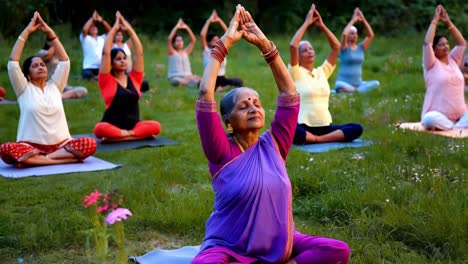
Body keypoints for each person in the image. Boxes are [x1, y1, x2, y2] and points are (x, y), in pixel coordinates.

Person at [192, 5, 350, 264]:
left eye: (256, 102)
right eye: (244, 106)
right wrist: (224, 43)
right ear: (228, 122)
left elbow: (289, 93)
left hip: (281, 239)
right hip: (228, 244)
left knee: (337, 250)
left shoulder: (275, 144)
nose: (253, 107)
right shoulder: (221, 151)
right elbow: (205, 95)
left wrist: (266, 45)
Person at [0, 12, 96, 168]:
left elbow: (64, 61)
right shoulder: (24, 89)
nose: (40, 67)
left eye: (42, 65)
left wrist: (51, 34)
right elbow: (13, 63)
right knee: (6, 149)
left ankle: (38, 160)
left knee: (89, 143)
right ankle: (61, 160)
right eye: (35, 66)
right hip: (30, 146)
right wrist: (28, 31)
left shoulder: (55, 87)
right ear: (27, 74)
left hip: (60, 146)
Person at [289, 4, 363, 145]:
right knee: (292, 131)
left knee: (356, 128)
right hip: (303, 127)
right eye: (305, 50)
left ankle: (318, 140)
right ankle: (319, 139)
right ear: (298, 57)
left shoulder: (322, 72)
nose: (310, 51)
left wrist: (322, 26)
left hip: (325, 127)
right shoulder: (295, 72)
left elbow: (336, 47)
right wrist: (306, 23)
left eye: (311, 49)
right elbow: (293, 46)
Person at [93, 11, 161, 142]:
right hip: (111, 125)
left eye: (124, 58)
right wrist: (114, 28)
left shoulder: (135, 78)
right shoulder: (106, 80)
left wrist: (129, 30)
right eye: (118, 59)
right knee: (99, 129)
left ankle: (122, 136)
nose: (123, 61)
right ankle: (135, 135)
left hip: (134, 125)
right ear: (111, 64)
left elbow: (139, 53)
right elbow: (105, 53)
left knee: (156, 126)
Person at [421, 5, 467, 130]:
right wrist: (435, 21)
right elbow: (427, 43)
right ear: (434, 49)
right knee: (429, 119)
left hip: (461, 115)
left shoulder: (453, 60)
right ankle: (456, 128)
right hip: (439, 116)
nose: (446, 47)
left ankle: (456, 127)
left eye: (447, 44)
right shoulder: (430, 63)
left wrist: (448, 22)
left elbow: (462, 43)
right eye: (441, 45)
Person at [334, 8, 379, 93]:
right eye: (352, 33)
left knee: (376, 83)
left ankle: (355, 90)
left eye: (356, 34)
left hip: (359, 83)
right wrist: (353, 20)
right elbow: (344, 34)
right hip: (344, 83)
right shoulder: (344, 48)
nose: (355, 35)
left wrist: (363, 19)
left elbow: (371, 35)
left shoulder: (361, 47)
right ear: (348, 36)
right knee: (339, 86)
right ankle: (357, 91)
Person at [200, 10, 243, 91]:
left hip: (222, 78)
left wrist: (219, 20)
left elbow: (228, 33)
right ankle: (219, 88)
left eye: (217, 39)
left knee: (239, 81)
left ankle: (220, 88)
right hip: (211, 79)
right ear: (208, 42)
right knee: (204, 85)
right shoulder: (206, 51)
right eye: (213, 40)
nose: (216, 42)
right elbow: (202, 35)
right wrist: (208, 21)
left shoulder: (222, 49)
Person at [167, 18, 201, 87]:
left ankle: (192, 83)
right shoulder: (172, 53)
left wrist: (186, 27)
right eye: (177, 41)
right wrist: (177, 27)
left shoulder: (185, 52)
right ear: (173, 43)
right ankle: (192, 83)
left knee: (203, 79)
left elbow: (193, 40)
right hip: (176, 77)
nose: (180, 42)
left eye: (181, 40)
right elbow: (169, 39)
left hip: (188, 76)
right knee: (175, 81)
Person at [80, 10, 111, 80]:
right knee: (87, 74)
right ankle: (96, 78)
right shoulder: (85, 38)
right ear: (89, 30)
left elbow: (110, 31)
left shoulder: (102, 38)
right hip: (88, 66)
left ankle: (96, 78)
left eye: (95, 27)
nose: (94, 28)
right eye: (91, 27)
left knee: (109, 72)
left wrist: (102, 20)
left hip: (100, 66)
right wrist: (92, 18)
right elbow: (84, 29)